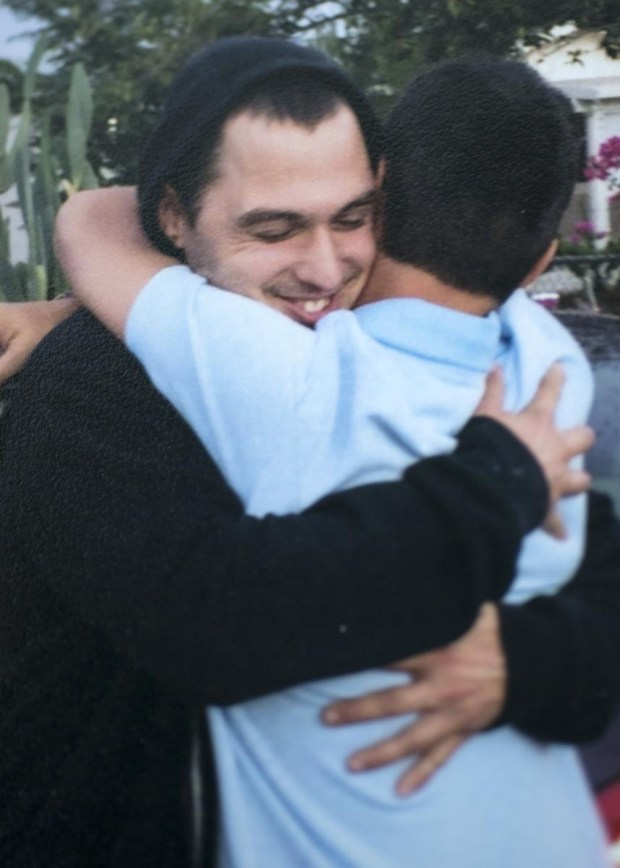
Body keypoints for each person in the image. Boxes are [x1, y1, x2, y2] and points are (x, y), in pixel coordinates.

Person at [0, 37, 618, 868]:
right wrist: (493, 480)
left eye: (354, 218)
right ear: (176, 217)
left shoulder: (444, 357)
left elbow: (599, 567)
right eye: (275, 229)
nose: (324, 268)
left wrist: (528, 660)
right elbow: (223, 619)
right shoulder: (97, 389)